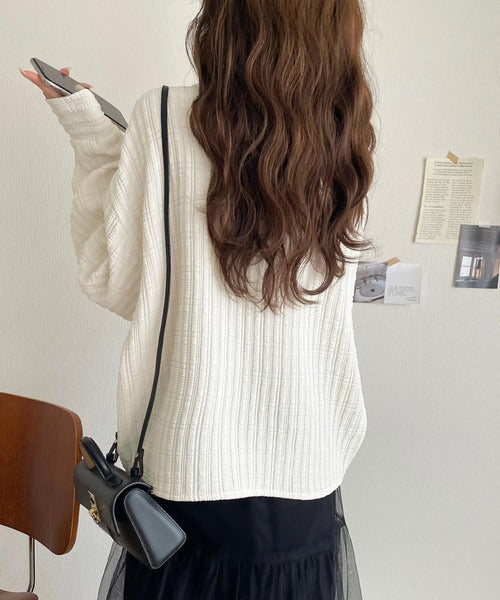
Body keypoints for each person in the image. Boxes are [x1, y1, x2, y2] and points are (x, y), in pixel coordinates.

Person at [21, 0, 376, 597]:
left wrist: (94, 133)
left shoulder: (164, 116)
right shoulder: (347, 140)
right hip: (307, 474)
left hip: (188, 474)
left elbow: (119, 280)